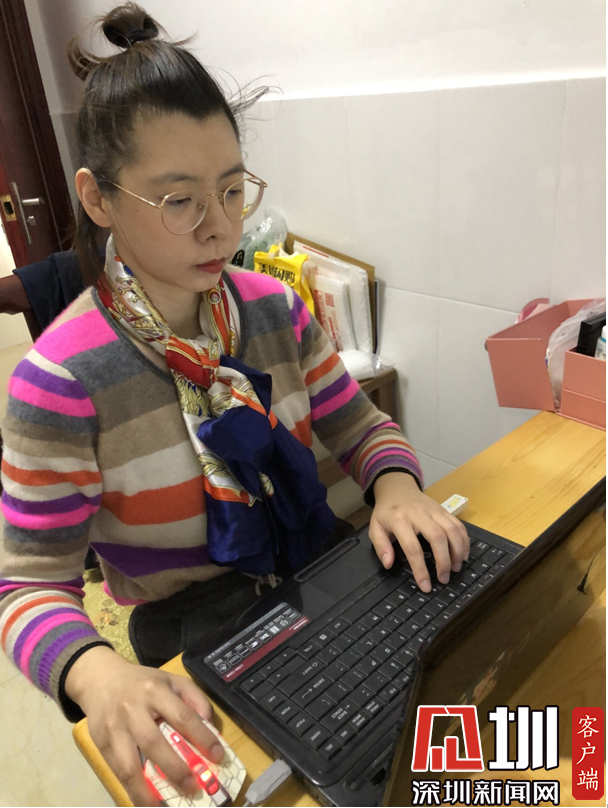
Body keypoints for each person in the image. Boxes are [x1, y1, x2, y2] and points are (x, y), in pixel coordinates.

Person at [0, 4, 469, 805]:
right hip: (195, 633)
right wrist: (97, 675)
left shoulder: (272, 312)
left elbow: (362, 428)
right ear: (99, 199)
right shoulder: (62, 380)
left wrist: (395, 489)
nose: (221, 228)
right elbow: (27, 588)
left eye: (231, 189)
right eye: (179, 201)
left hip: (321, 576)